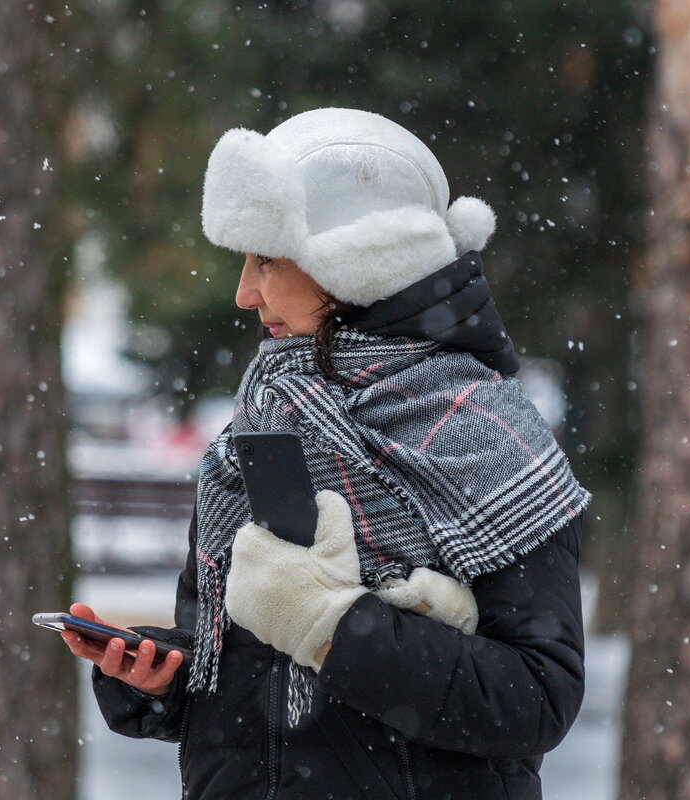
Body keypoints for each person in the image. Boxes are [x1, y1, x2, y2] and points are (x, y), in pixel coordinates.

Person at [63, 107, 591, 799]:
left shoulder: (490, 437)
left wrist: (333, 626)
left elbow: (534, 700)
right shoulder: (262, 421)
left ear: (353, 264)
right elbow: (249, 678)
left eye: (267, 262)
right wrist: (165, 678)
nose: (244, 292)